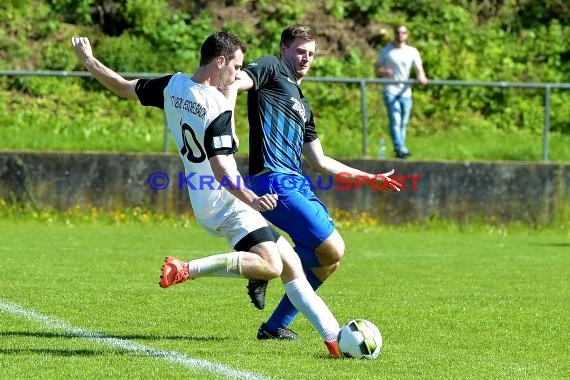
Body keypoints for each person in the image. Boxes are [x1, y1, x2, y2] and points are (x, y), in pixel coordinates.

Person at [70, 32, 342, 357]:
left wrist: (88, 62)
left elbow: (124, 86)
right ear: (220, 61)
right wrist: (252, 199)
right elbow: (223, 172)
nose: (237, 75)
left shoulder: (174, 86)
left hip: (204, 200)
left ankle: (334, 339)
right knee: (271, 266)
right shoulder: (216, 109)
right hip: (225, 200)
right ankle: (186, 268)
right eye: (236, 67)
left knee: (292, 265)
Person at [229, 24, 404, 340]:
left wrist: (369, 179)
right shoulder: (269, 67)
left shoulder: (304, 105)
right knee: (334, 247)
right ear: (284, 50)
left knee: (327, 262)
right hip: (272, 181)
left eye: (311, 54)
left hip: (297, 183)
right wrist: (226, 120)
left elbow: (321, 162)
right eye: (300, 51)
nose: (306, 58)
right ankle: (265, 265)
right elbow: (238, 81)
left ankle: (274, 325)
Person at [374, 24, 428, 159]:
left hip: (405, 92)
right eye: (398, 33)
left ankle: (401, 148)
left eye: (403, 33)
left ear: (407, 35)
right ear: (394, 34)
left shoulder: (412, 51)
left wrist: (421, 76)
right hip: (390, 90)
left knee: (403, 121)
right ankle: (400, 148)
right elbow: (376, 70)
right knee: (396, 120)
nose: (400, 35)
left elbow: (419, 69)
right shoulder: (386, 51)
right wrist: (384, 71)